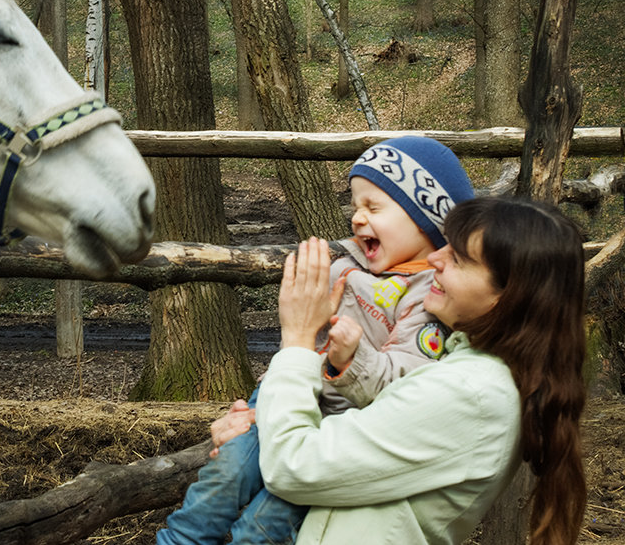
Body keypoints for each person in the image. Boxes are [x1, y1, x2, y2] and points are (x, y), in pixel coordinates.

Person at [211, 196, 587, 545]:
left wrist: (298, 337)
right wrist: (262, 426)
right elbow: (364, 440)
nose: (434, 259)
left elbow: (294, 465)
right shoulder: (467, 369)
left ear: (507, 296)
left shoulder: (471, 393)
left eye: (457, 259)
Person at [157, 136, 475, 545]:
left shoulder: (430, 295)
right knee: (226, 472)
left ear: (428, 220)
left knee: (266, 521)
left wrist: (353, 358)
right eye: (356, 206)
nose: (358, 218)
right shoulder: (344, 260)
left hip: (337, 429)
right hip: (283, 397)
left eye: (374, 207)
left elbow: (410, 382)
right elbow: (299, 325)